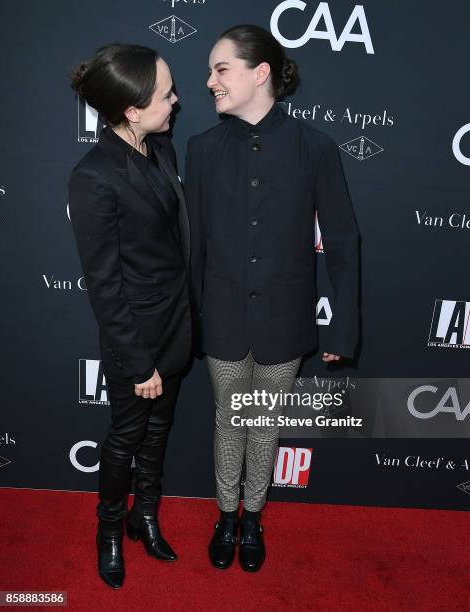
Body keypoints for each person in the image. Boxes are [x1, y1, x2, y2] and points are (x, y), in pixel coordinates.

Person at [185, 25, 359, 572]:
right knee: (227, 418)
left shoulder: (316, 148)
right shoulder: (203, 149)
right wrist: (188, 322)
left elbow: (343, 239)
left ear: (260, 73)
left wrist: (345, 327)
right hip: (223, 318)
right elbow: (192, 247)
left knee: (264, 423)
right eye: (211, 70)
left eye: (221, 69)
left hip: (285, 319)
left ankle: (253, 516)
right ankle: (224, 515)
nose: (209, 81)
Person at [68, 43, 191, 589]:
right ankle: (111, 530)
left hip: (177, 325)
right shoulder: (93, 176)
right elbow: (105, 285)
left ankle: (146, 516)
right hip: (136, 339)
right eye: (167, 94)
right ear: (133, 110)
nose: (177, 102)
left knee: (161, 428)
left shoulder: (161, 149)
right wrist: (139, 363)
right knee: (126, 434)